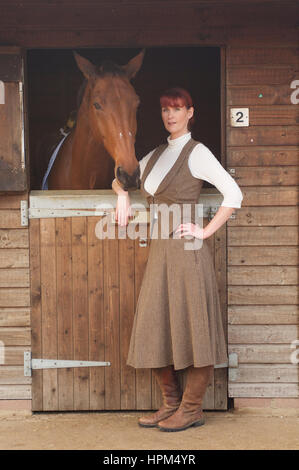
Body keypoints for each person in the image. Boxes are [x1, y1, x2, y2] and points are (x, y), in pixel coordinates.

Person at [112, 87, 243, 432]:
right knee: (154, 326)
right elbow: (122, 176)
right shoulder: (155, 155)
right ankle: (170, 404)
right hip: (159, 253)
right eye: (165, 110)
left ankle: (192, 408)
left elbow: (234, 194)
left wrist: (204, 231)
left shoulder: (196, 153)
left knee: (195, 328)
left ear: (190, 112)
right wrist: (122, 194)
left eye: (177, 108)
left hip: (187, 253)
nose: (170, 115)